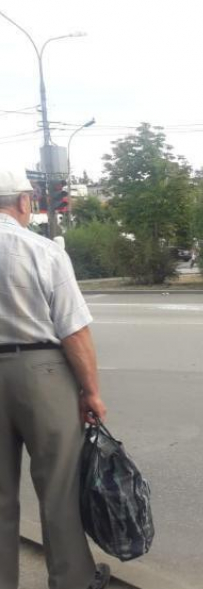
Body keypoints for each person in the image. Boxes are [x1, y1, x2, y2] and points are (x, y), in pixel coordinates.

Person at [0, 170, 111, 589]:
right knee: (59, 485)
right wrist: (91, 391)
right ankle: (72, 580)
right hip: (42, 372)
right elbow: (74, 330)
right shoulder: (42, 250)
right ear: (24, 203)